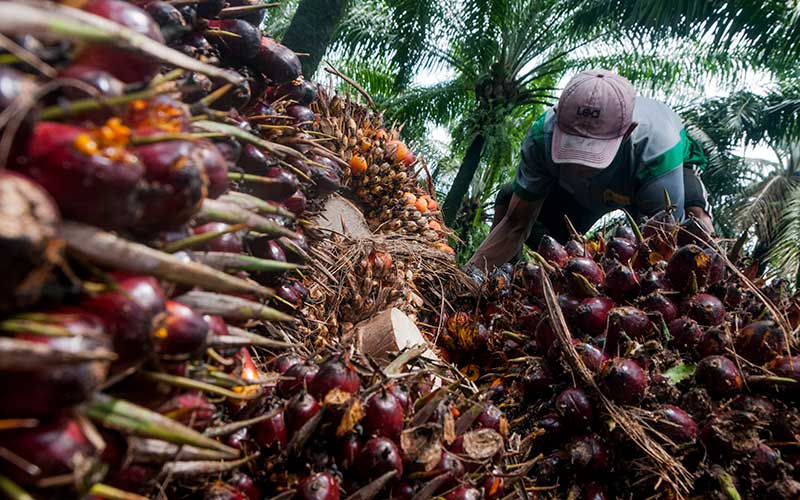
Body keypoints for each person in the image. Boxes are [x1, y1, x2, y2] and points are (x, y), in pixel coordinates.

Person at [467, 69, 714, 271]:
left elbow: (660, 248)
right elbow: (514, 225)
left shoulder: (656, 148)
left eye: (592, 150)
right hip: (580, 197)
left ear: (627, 133)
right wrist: (466, 277)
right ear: (557, 119)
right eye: (572, 146)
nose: (580, 165)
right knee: (512, 200)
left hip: (648, 178)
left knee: (694, 228)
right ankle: (507, 282)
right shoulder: (541, 137)